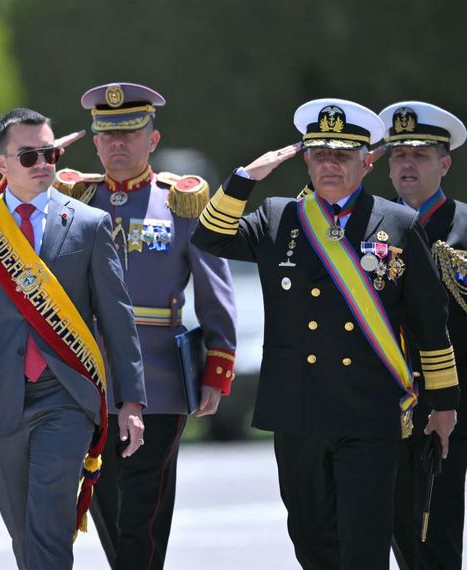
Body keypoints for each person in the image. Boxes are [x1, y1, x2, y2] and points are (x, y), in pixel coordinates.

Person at [191, 98, 459, 569]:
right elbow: (210, 237)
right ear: (307, 159)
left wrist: (444, 404)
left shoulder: (397, 223)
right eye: (320, 154)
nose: (330, 164)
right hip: (299, 410)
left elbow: (428, 323)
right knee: (312, 539)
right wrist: (243, 179)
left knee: (365, 544)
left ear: (367, 160)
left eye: (342, 155)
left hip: (369, 413)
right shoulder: (279, 217)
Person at [0, 107, 147, 569]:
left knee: (48, 524)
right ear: (1, 165)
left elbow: (116, 317)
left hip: (66, 395)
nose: (44, 163)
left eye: (49, 152)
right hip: (1, 397)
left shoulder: (89, 224)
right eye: (29, 156)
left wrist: (131, 401)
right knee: (23, 532)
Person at [52, 82, 237, 569]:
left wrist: (217, 365)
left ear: (152, 140)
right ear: (95, 142)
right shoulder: (73, 199)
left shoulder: (180, 203)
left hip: (156, 376)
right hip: (85, 375)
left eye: (130, 133)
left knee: (143, 508)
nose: (118, 144)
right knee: (104, 500)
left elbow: (214, 287)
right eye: (108, 135)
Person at [380, 101, 467, 570]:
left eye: (420, 154)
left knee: (438, 536)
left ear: (444, 163)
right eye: (398, 155)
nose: (407, 163)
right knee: (396, 532)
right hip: (383, 408)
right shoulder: (368, 227)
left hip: (450, 410)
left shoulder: (464, 227)